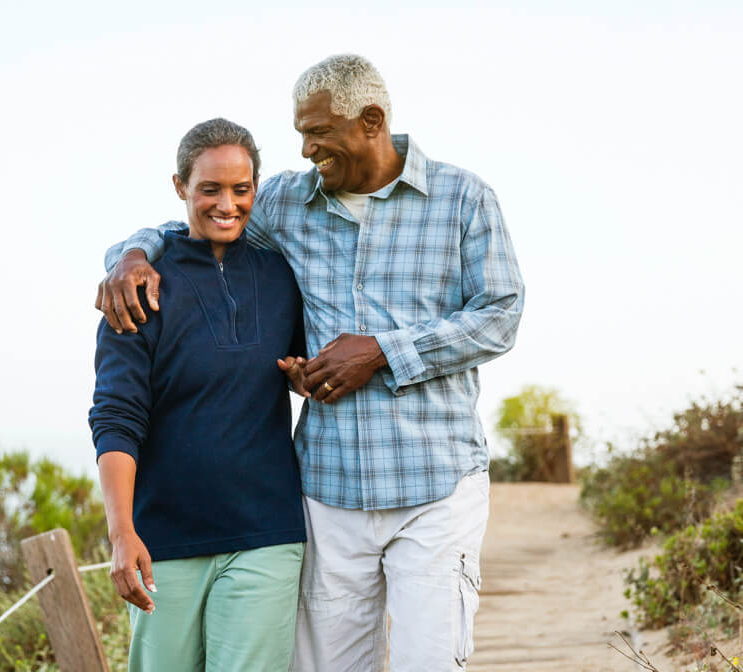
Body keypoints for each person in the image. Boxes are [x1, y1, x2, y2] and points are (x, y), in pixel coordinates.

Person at [96, 55, 525, 671]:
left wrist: (381, 352)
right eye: (300, 133)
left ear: (371, 120)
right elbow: (206, 217)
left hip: (436, 482)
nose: (306, 151)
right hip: (327, 490)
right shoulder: (287, 204)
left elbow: (502, 314)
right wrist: (130, 252)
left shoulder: (463, 199)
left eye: (318, 133)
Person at [89, 118, 310, 672]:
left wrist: (303, 372)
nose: (227, 204)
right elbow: (116, 417)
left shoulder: (283, 274)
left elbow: (301, 359)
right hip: (164, 540)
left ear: (255, 188)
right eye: (209, 188)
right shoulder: (138, 285)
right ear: (180, 186)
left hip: (267, 535)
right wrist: (122, 534)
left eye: (241, 189)